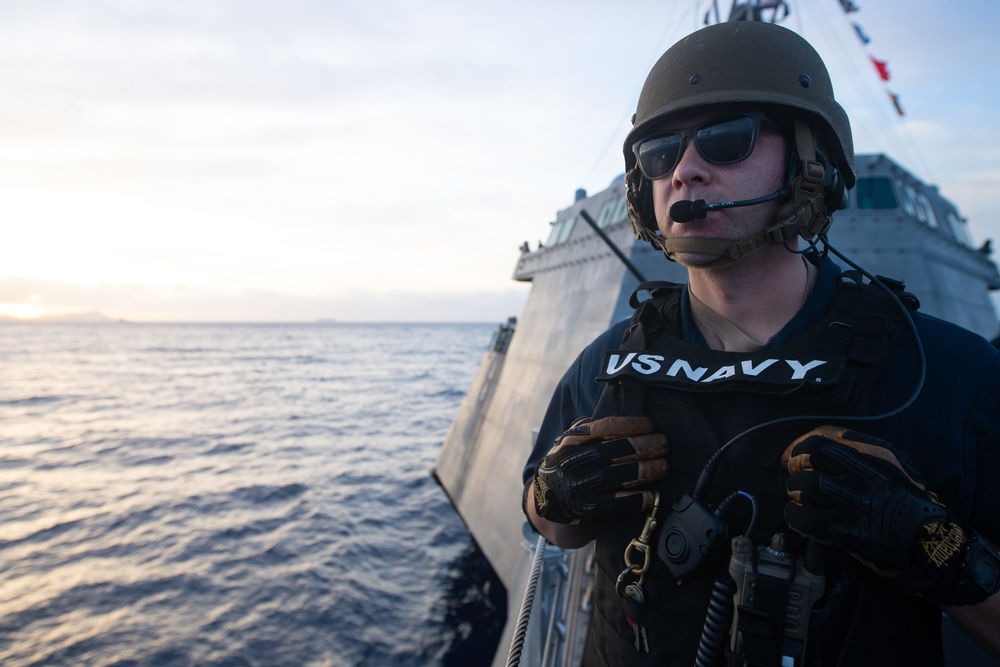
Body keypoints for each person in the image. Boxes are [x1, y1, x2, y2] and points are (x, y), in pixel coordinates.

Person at [522, 20, 1000, 667]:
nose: (685, 171)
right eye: (660, 154)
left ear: (811, 164)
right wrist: (558, 493)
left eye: (727, 140)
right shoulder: (608, 364)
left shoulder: (945, 376)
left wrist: (932, 547)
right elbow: (548, 517)